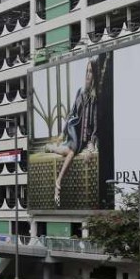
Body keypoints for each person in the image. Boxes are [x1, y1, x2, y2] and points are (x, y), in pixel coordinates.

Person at [46, 57, 100, 206]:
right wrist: (63, 132)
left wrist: (91, 145)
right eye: (87, 71)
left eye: (91, 72)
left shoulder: (96, 98)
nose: (88, 75)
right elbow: (71, 113)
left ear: (95, 74)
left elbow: (95, 124)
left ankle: (51, 148)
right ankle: (58, 183)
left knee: (68, 150)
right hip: (73, 128)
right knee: (71, 152)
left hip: (84, 136)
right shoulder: (80, 92)